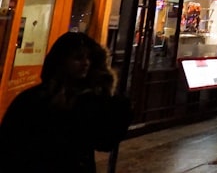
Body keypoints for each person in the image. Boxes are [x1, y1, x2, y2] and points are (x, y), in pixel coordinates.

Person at [0, 31, 131, 172]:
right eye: (78, 58)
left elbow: (105, 141)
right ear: (62, 61)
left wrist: (112, 100)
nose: (85, 63)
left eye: (89, 58)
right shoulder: (37, 99)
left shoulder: (89, 100)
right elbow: (10, 144)